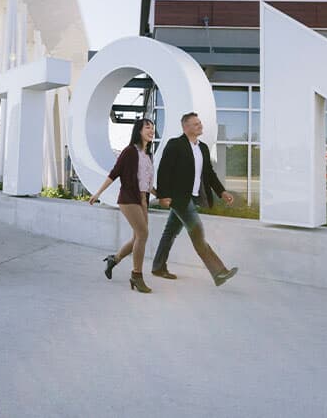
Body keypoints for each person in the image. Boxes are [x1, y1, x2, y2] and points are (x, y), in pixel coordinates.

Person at [152, 112, 239, 287]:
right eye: (196, 124)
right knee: (197, 232)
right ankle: (219, 272)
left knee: (170, 233)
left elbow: (209, 174)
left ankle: (158, 267)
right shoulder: (175, 145)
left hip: (193, 197)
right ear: (186, 127)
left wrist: (221, 192)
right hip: (179, 198)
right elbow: (163, 171)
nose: (200, 125)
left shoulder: (203, 148)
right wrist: (163, 196)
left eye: (200, 123)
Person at [89, 118, 156, 293]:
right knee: (143, 234)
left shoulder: (148, 155)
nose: (151, 130)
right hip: (128, 199)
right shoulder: (129, 152)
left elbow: (147, 183)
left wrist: (161, 196)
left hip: (143, 200)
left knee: (137, 238)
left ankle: (114, 260)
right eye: (147, 127)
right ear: (139, 131)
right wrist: (98, 193)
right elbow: (114, 173)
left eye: (153, 128)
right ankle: (136, 275)